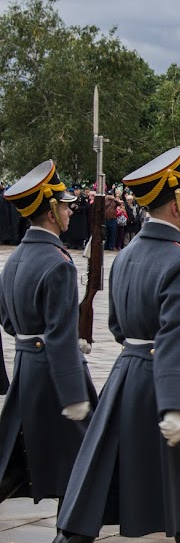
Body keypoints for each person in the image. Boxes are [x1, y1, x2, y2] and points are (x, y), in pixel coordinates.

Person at [53, 147, 180, 543]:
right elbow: (178, 339)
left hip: (127, 378)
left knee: (99, 489)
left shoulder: (127, 254)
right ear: (177, 203)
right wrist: (176, 404)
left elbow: (117, 327)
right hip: (167, 384)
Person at [0, 161, 97, 506]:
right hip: (55, 377)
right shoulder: (58, 263)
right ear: (52, 210)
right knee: (81, 465)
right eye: (65, 204)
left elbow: (9, 322)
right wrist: (73, 394)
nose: (71, 210)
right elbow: (58, 336)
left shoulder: (15, 259)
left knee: (18, 462)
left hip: (27, 369)